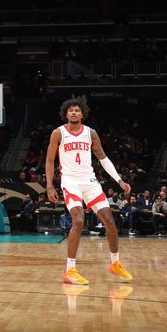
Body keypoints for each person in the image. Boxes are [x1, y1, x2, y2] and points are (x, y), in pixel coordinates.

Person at [45, 98, 133, 285]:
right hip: (70, 182)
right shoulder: (58, 133)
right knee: (78, 220)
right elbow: (49, 161)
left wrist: (119, 180)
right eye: (71, 110)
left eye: (77, 110)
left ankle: (115, 263)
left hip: (90, 182)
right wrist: (50, 185)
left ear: (83, 114)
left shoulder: (90, 133)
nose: (74, 113)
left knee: (110, 222)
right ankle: (69, 270)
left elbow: (103, 158)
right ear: (66, 114)